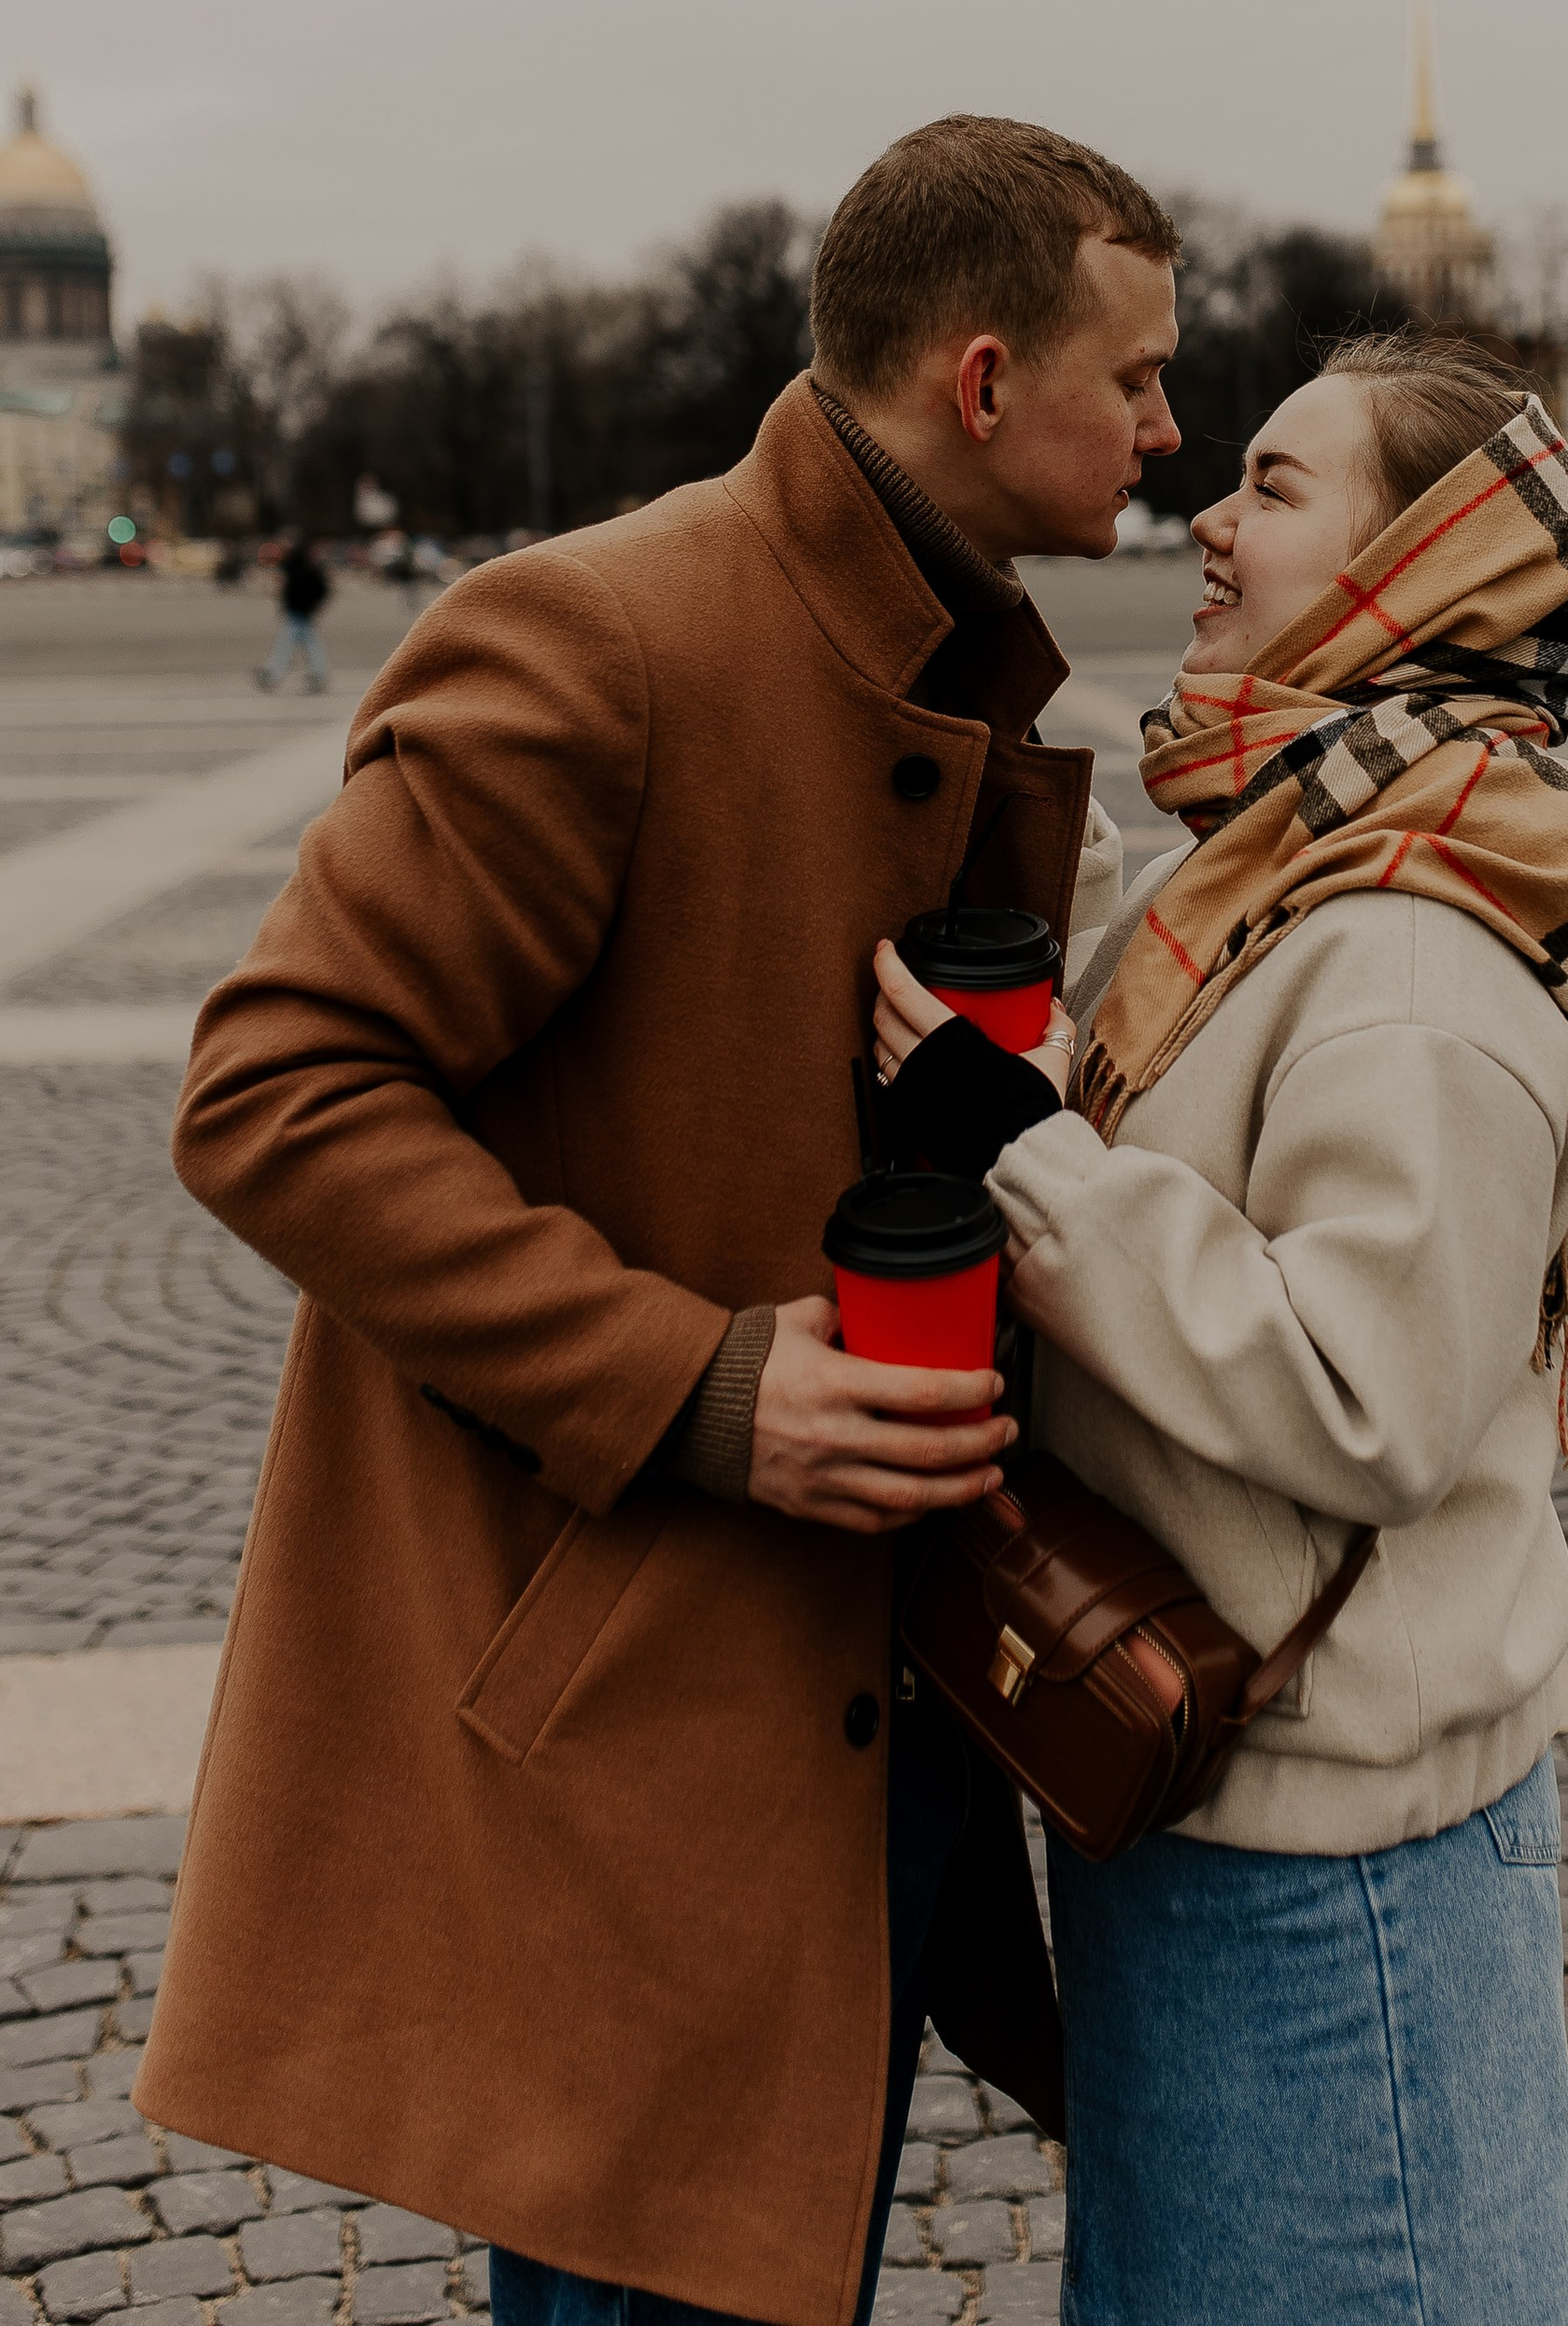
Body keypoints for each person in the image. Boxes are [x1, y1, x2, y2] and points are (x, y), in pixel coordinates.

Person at [140, 116, 1181, 2326]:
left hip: (856, 1698)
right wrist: (701, 1383)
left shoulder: (928, 654)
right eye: (1142, 376)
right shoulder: (605, 633)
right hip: (651, 1720)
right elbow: (273, 1089)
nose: (1174, 428)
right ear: (982, 384)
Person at [873, 330, 1568, 2326]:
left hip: (1339, 1872)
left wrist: (1017, 1156)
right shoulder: (1289, 848)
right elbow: (1171, 1066)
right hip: (1224, 1803)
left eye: (1279, 489)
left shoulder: (1413, 936)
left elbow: (1365, 1392)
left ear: (1425, 566)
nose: (1209, 518)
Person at [255, 531, 333, 690]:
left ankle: (272, 674)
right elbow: (321, 589)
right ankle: (318, 674)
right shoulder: (304, 565)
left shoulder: (296, 566)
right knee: (308, 645)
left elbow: (298, 589)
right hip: (301, 611)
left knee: (288, 645)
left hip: (298, 611)